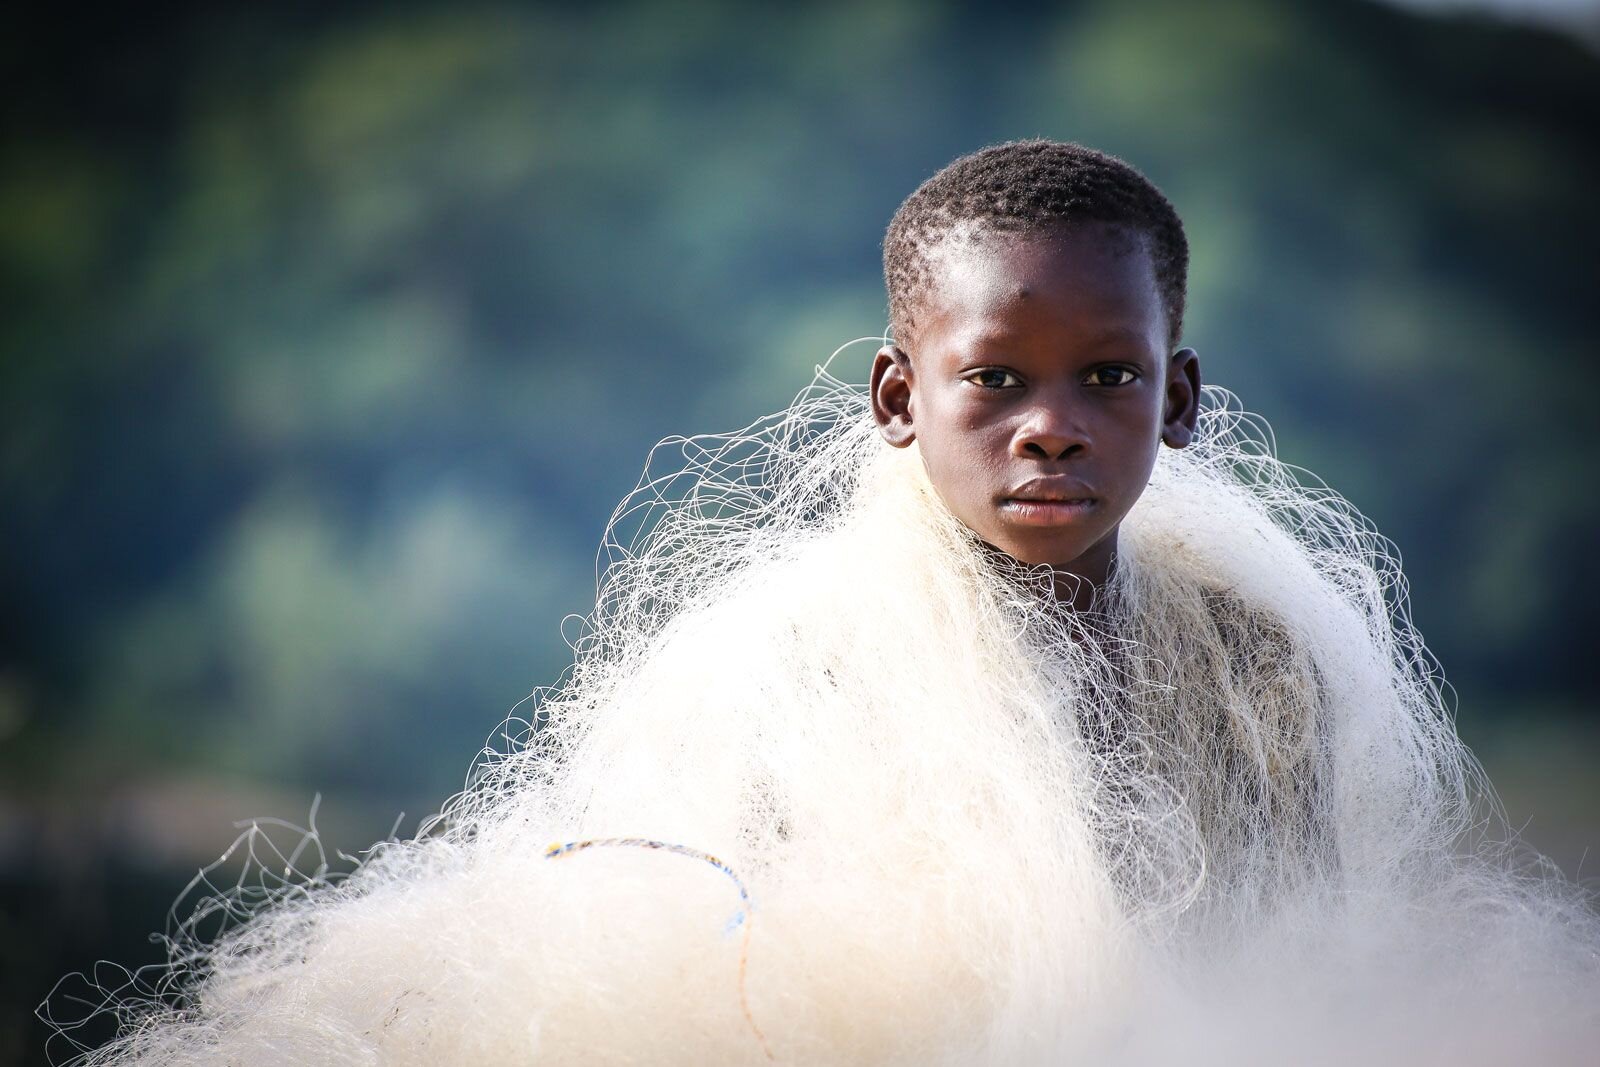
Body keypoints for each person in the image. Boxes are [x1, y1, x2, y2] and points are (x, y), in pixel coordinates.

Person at [53, 141, 1598, 1065]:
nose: (1049, 422)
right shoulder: (788, 671)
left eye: (1105, 377)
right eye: (993, 378)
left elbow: (1299, 976)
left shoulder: (1262, 669)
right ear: (897, 398)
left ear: (1178, 401)